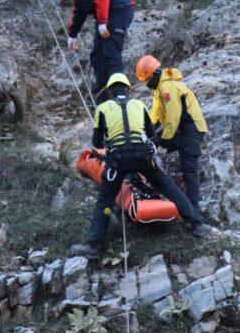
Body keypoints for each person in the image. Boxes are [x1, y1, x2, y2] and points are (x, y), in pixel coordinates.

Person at [70, 73, 211, 259]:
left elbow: (97, 142)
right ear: (128, 90)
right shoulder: (139, 105)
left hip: (118, 160)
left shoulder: (103, 108)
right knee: (170, 188)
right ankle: (197, 224)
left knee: (105, 200)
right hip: (143, 156)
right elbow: (151, 133)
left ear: (110, 92)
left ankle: (93, 245)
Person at [47, 0, 136, 104]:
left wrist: (102, 22)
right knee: (97, 55)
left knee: (110, 52)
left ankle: (119, 95)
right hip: (108, 13)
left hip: (118, 9)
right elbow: (80, 7)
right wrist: (73, 34)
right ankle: (103, 96)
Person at [135, 55, 208, 212]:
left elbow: (173, 118)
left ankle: (194, 210)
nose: (146, 84)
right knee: (154, 147)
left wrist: (162, 142)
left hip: (190, 129)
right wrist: (144, 133)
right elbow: (155, 116)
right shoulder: (158, 89)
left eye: (147, 80)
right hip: (180, 130)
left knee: (189, 169)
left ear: (154, 74)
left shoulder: (168, 87)